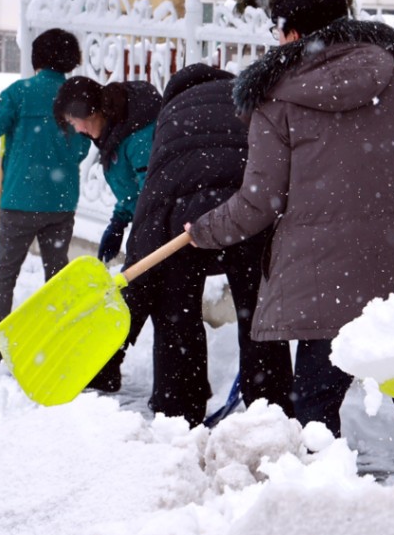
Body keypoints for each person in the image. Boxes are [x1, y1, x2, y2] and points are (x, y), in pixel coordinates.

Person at [188, 0, 394, 472]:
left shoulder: (277, 99)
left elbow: (259, 201)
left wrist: (203, 230)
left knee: (315, 404)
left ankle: (327, 497)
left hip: (327, 282)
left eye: (277, 28)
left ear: (293, 33)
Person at [123, 63, 294, 425]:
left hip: (182, 222)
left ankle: (177, 411)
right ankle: (271, 410)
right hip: (246, 213)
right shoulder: (246, 101)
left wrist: (133, 294)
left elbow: (154, 199)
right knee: (258, 314)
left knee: (175, 313)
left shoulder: (170, 116)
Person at [0, 28, 92, 364]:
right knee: (57, 273)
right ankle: (56, 334)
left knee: (5, 271)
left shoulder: (19, 92)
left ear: (36, 58)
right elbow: (81, 149)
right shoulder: (72, 97)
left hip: (19, 202)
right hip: (60, 203)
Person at [54, 73, 163, 394]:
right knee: (138, 296)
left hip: (164, 225)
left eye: (77, 121)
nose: (77, 129)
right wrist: (119, 221)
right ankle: (107, 366)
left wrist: (139, 233)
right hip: (152, 223)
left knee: (136, 293)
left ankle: (106, 365)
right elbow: (134, 193)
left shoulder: (138, 135)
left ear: (94, 112)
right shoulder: (115, 131)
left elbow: (152, 192)